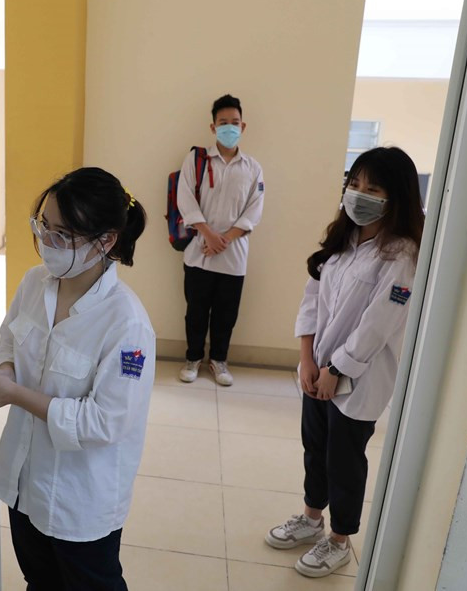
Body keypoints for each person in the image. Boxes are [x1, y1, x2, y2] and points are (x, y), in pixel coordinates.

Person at [0, 167, 154, 591]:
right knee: (39, 580)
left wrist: (14, 394)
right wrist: (0, 376)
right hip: (25, 480)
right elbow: (10, 341)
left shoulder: (127, 324)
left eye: (63, 235)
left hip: (81, 499)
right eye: (44, 227)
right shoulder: (35, 283)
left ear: (106, 241)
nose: (47, 244)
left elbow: (105, 422)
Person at [265, 147, 425, 578]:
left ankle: (339, 540)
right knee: (315, 447)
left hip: (360, 378)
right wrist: (306, 360)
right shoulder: (343, 239)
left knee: (345, 458)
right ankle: (311, 518)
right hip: (317, 370)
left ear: (397, 198)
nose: (359, 195)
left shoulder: (402, 255)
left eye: (372, 189)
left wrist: (338, 371)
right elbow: (312, 299)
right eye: (354, 185)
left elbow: (378, 325)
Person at [177, 94, 264, 386]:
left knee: (226, 316)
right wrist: (209, 235)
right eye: (223, 123)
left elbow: (254, 210)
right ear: (213, 127)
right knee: (196, 313)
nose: (229, 127)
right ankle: (192, 359)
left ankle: (219, 361)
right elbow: (185, 199)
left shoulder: (253, 168)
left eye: (234, 122)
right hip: (198, 252)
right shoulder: (196, 159)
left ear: (243, 126)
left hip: (233, 257)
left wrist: (223, 239)